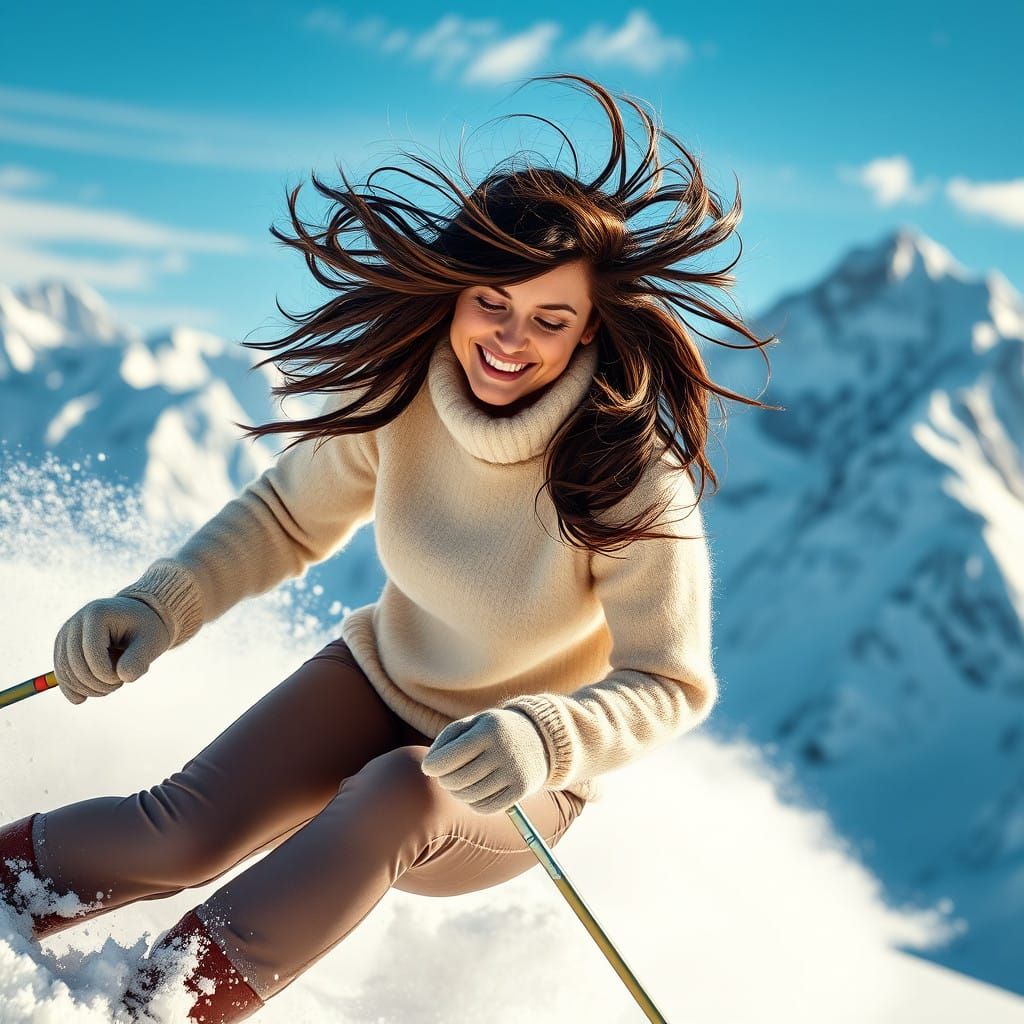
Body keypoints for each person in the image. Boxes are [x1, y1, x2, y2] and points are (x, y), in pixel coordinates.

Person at [0, 73, 777, 1022]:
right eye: (492, 300)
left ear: (589, 334)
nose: (510, 338)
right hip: (376, 682)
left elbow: (672, 681)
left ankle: (155, 1009)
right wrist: (156, 605)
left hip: (511, 782)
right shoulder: (408, 404)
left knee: (402, 789)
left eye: (551, 319)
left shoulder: (628, 477)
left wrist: (546, 736)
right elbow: (287, 520)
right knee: (183, 833)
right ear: (453, 295)